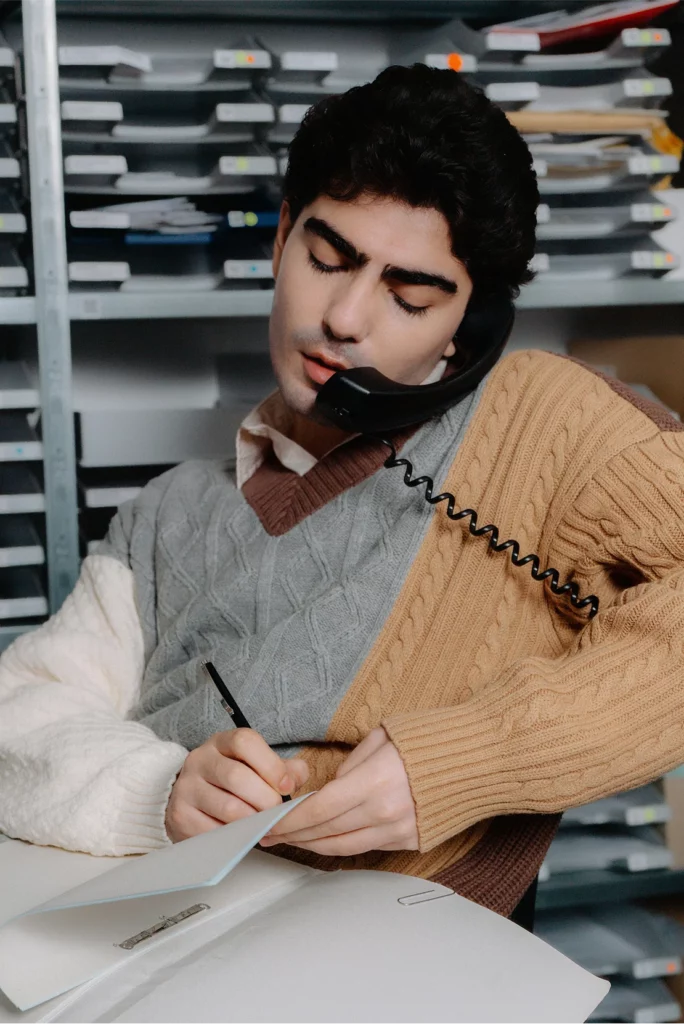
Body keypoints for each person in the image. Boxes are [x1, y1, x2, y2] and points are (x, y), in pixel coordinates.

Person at [1, 64, 684, 922]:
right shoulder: (166, 513)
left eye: (409, 297)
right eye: (328, 259)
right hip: (179, 946)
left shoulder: (540, 425)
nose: (345, 318)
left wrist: (462, 762)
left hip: (416, 958)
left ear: (468, 327)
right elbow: (22, 712)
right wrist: (159, 788)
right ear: (282, 237)